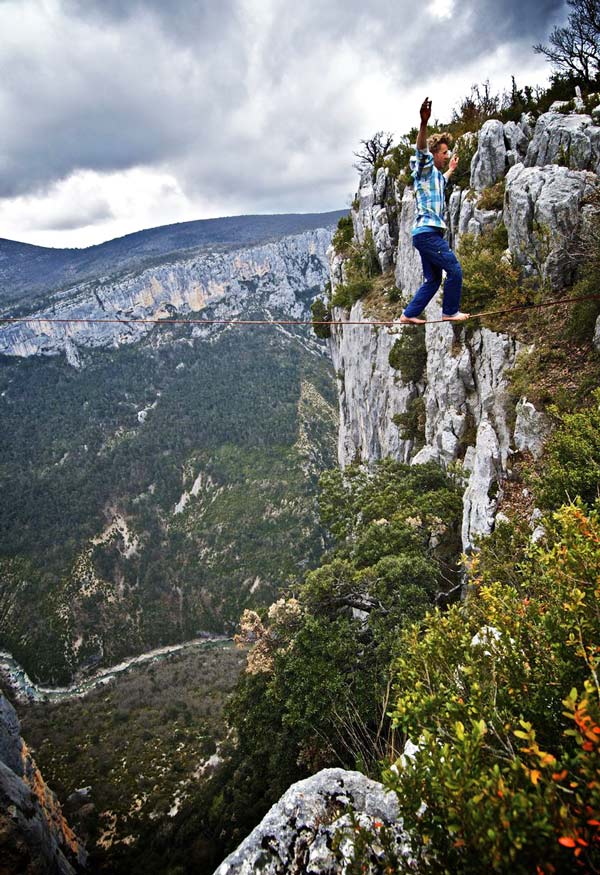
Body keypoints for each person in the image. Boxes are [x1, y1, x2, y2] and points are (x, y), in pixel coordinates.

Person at [400, 97, 469, 325]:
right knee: (455, 270)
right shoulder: (425, 169)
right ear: (435, 154)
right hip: (427, 233)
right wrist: (423, 123)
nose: (447, 155)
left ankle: (409, 314)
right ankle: (450, 311)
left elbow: (443, 181)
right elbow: (421, 150)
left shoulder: (437, 178)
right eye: (445, 152)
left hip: (427, 234)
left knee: (432, 280)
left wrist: (451, 169)